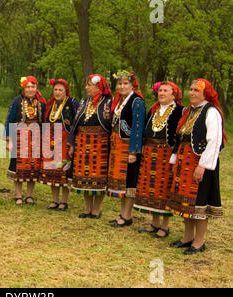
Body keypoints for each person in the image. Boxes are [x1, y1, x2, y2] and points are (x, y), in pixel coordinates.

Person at [166, 79, 226, 255]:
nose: (191, 93)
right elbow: (180, 138)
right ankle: (187, 237)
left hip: (200, 162)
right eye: (190, 89)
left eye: (196, 91)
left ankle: (199, 242)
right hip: (184, 161)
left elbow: (215, 141)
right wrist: (174, 159)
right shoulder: (188, 111)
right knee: (186, 202)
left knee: (199, 203)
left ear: (205, 93)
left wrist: (203, 165)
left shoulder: (211, 112)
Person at [134, 81, 184, 238]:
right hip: (150, 152)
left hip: (166, 154)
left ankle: (165, 226)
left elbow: (179, 135)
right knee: (150, 187)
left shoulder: (179, 111)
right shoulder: (154, 109)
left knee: (164, 188)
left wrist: (175, 154)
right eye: (160, 90)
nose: (161, 93)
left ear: (173, 94)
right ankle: (154, 222)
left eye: (165, 91)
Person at [68, 75, 112, 219]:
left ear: (98, 87)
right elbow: (75, 124)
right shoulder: (84, 101)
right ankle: (87, 209)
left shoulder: (108, 102)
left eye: (89, 85)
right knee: (84, 176)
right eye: (86, 85)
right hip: (82, 143)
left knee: (98, 177)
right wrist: (72, 144)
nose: (86, 88)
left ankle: (96, 210)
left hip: (100, 144)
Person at [107, 71, 146, 227]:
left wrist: (133, 151)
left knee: (129, 180)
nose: (122, 86)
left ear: (132, 85)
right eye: (120, 84)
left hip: (128, 146)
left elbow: (138, 127)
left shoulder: (137, 101)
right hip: (117, 144)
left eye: (125, 84)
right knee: (122, 182)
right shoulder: (120, 101)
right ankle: (123, 214)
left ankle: (127, 215)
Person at [5, 76, 46, 205]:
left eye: (33, 87)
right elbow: (10, 121)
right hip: (19, 137)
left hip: (35, 138)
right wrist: (9, 140)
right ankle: (18, 195)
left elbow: (44, 122)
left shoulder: (41, 103)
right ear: (23, 88)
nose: (30, 89)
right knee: (18, 167)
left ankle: (29, 195)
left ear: (36, 88)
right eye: (28, 87)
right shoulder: (16, 101)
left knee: (33, 167)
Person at [40, 79, 79, 211]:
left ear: (66, 91)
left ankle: (64, 201)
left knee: (63, 169)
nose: (57, 92)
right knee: (53, 169)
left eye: (60, 90)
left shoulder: (72, 103)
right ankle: (55, 200)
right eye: (55, 90)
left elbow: (76, 123)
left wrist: (72, 142)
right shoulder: (50, 104)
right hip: (51, 139)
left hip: (64, 139)